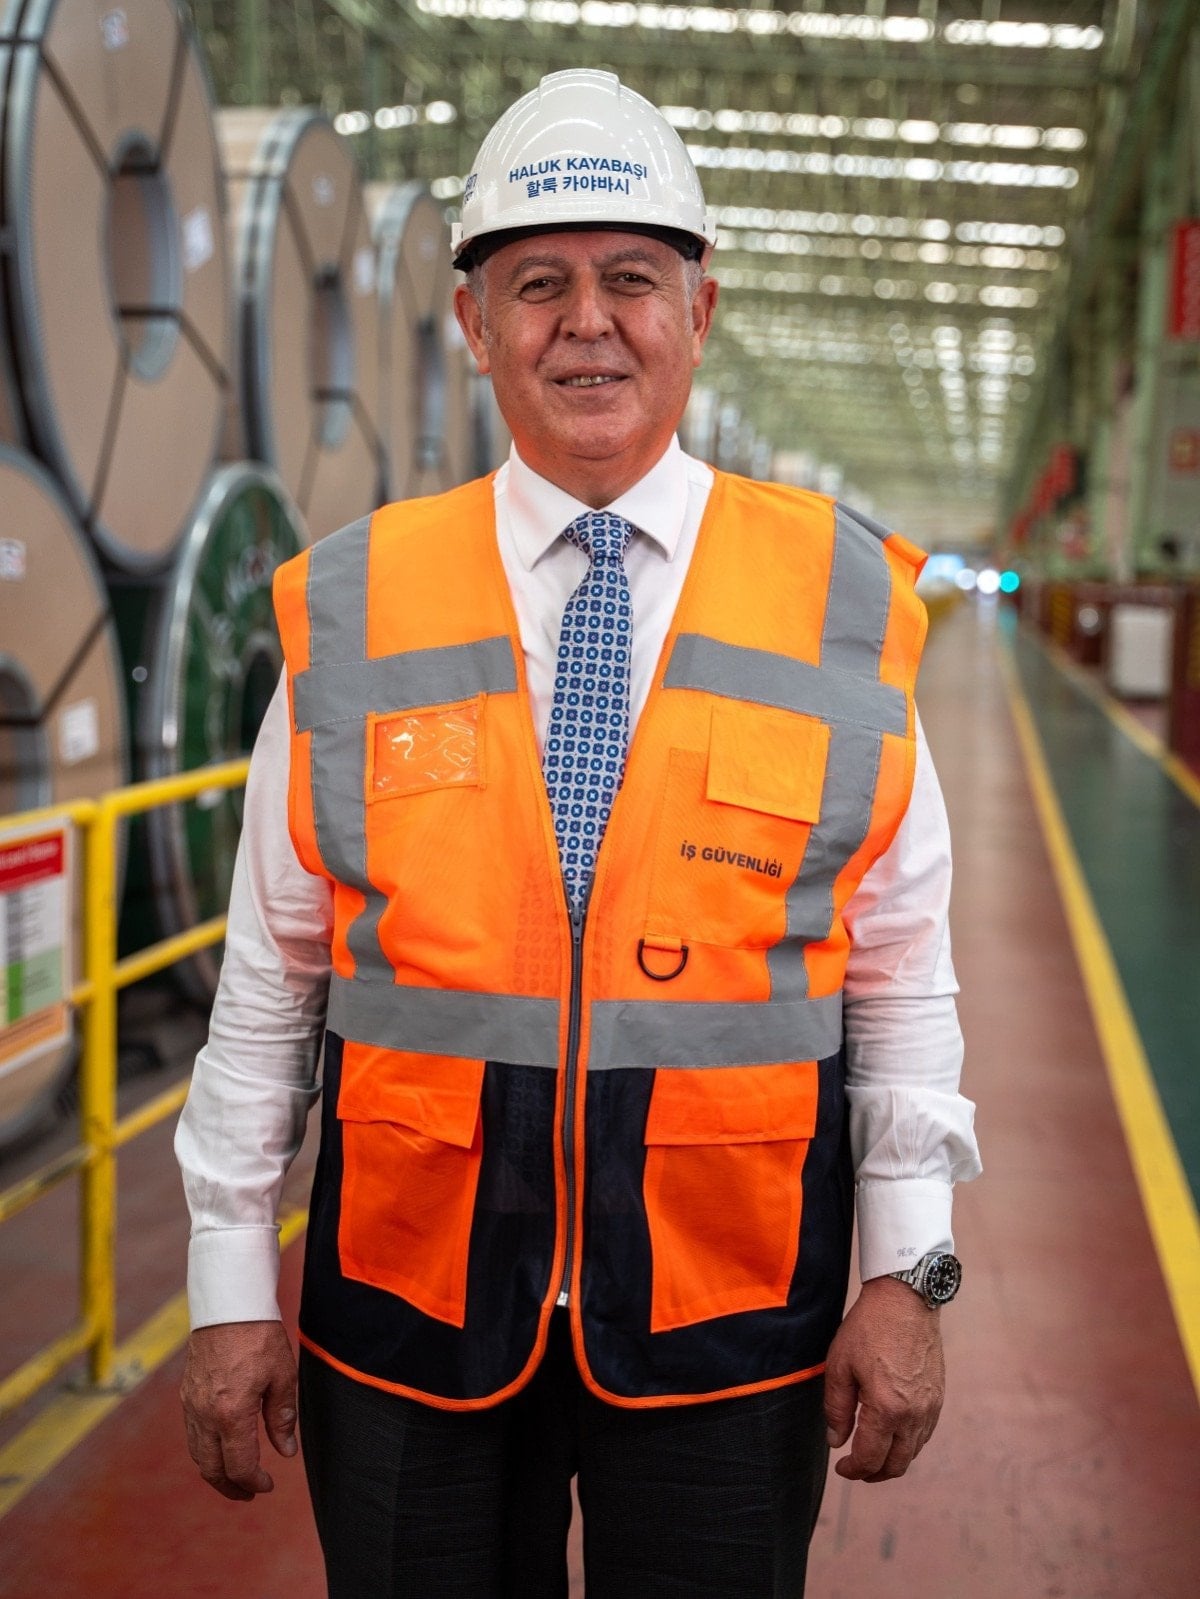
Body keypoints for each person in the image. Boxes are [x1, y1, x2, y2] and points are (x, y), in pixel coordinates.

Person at [177, 68, 981, 1597]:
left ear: (701, 310)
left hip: (726, 1324)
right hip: (408, 1323)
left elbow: (898, 978)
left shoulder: (837, 604)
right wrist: (226, 1279)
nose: (587, 323)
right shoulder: (354, 605)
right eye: (538, 284)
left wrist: (906, 1270)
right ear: (474, 323)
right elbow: (271, 979)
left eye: (632, 279)